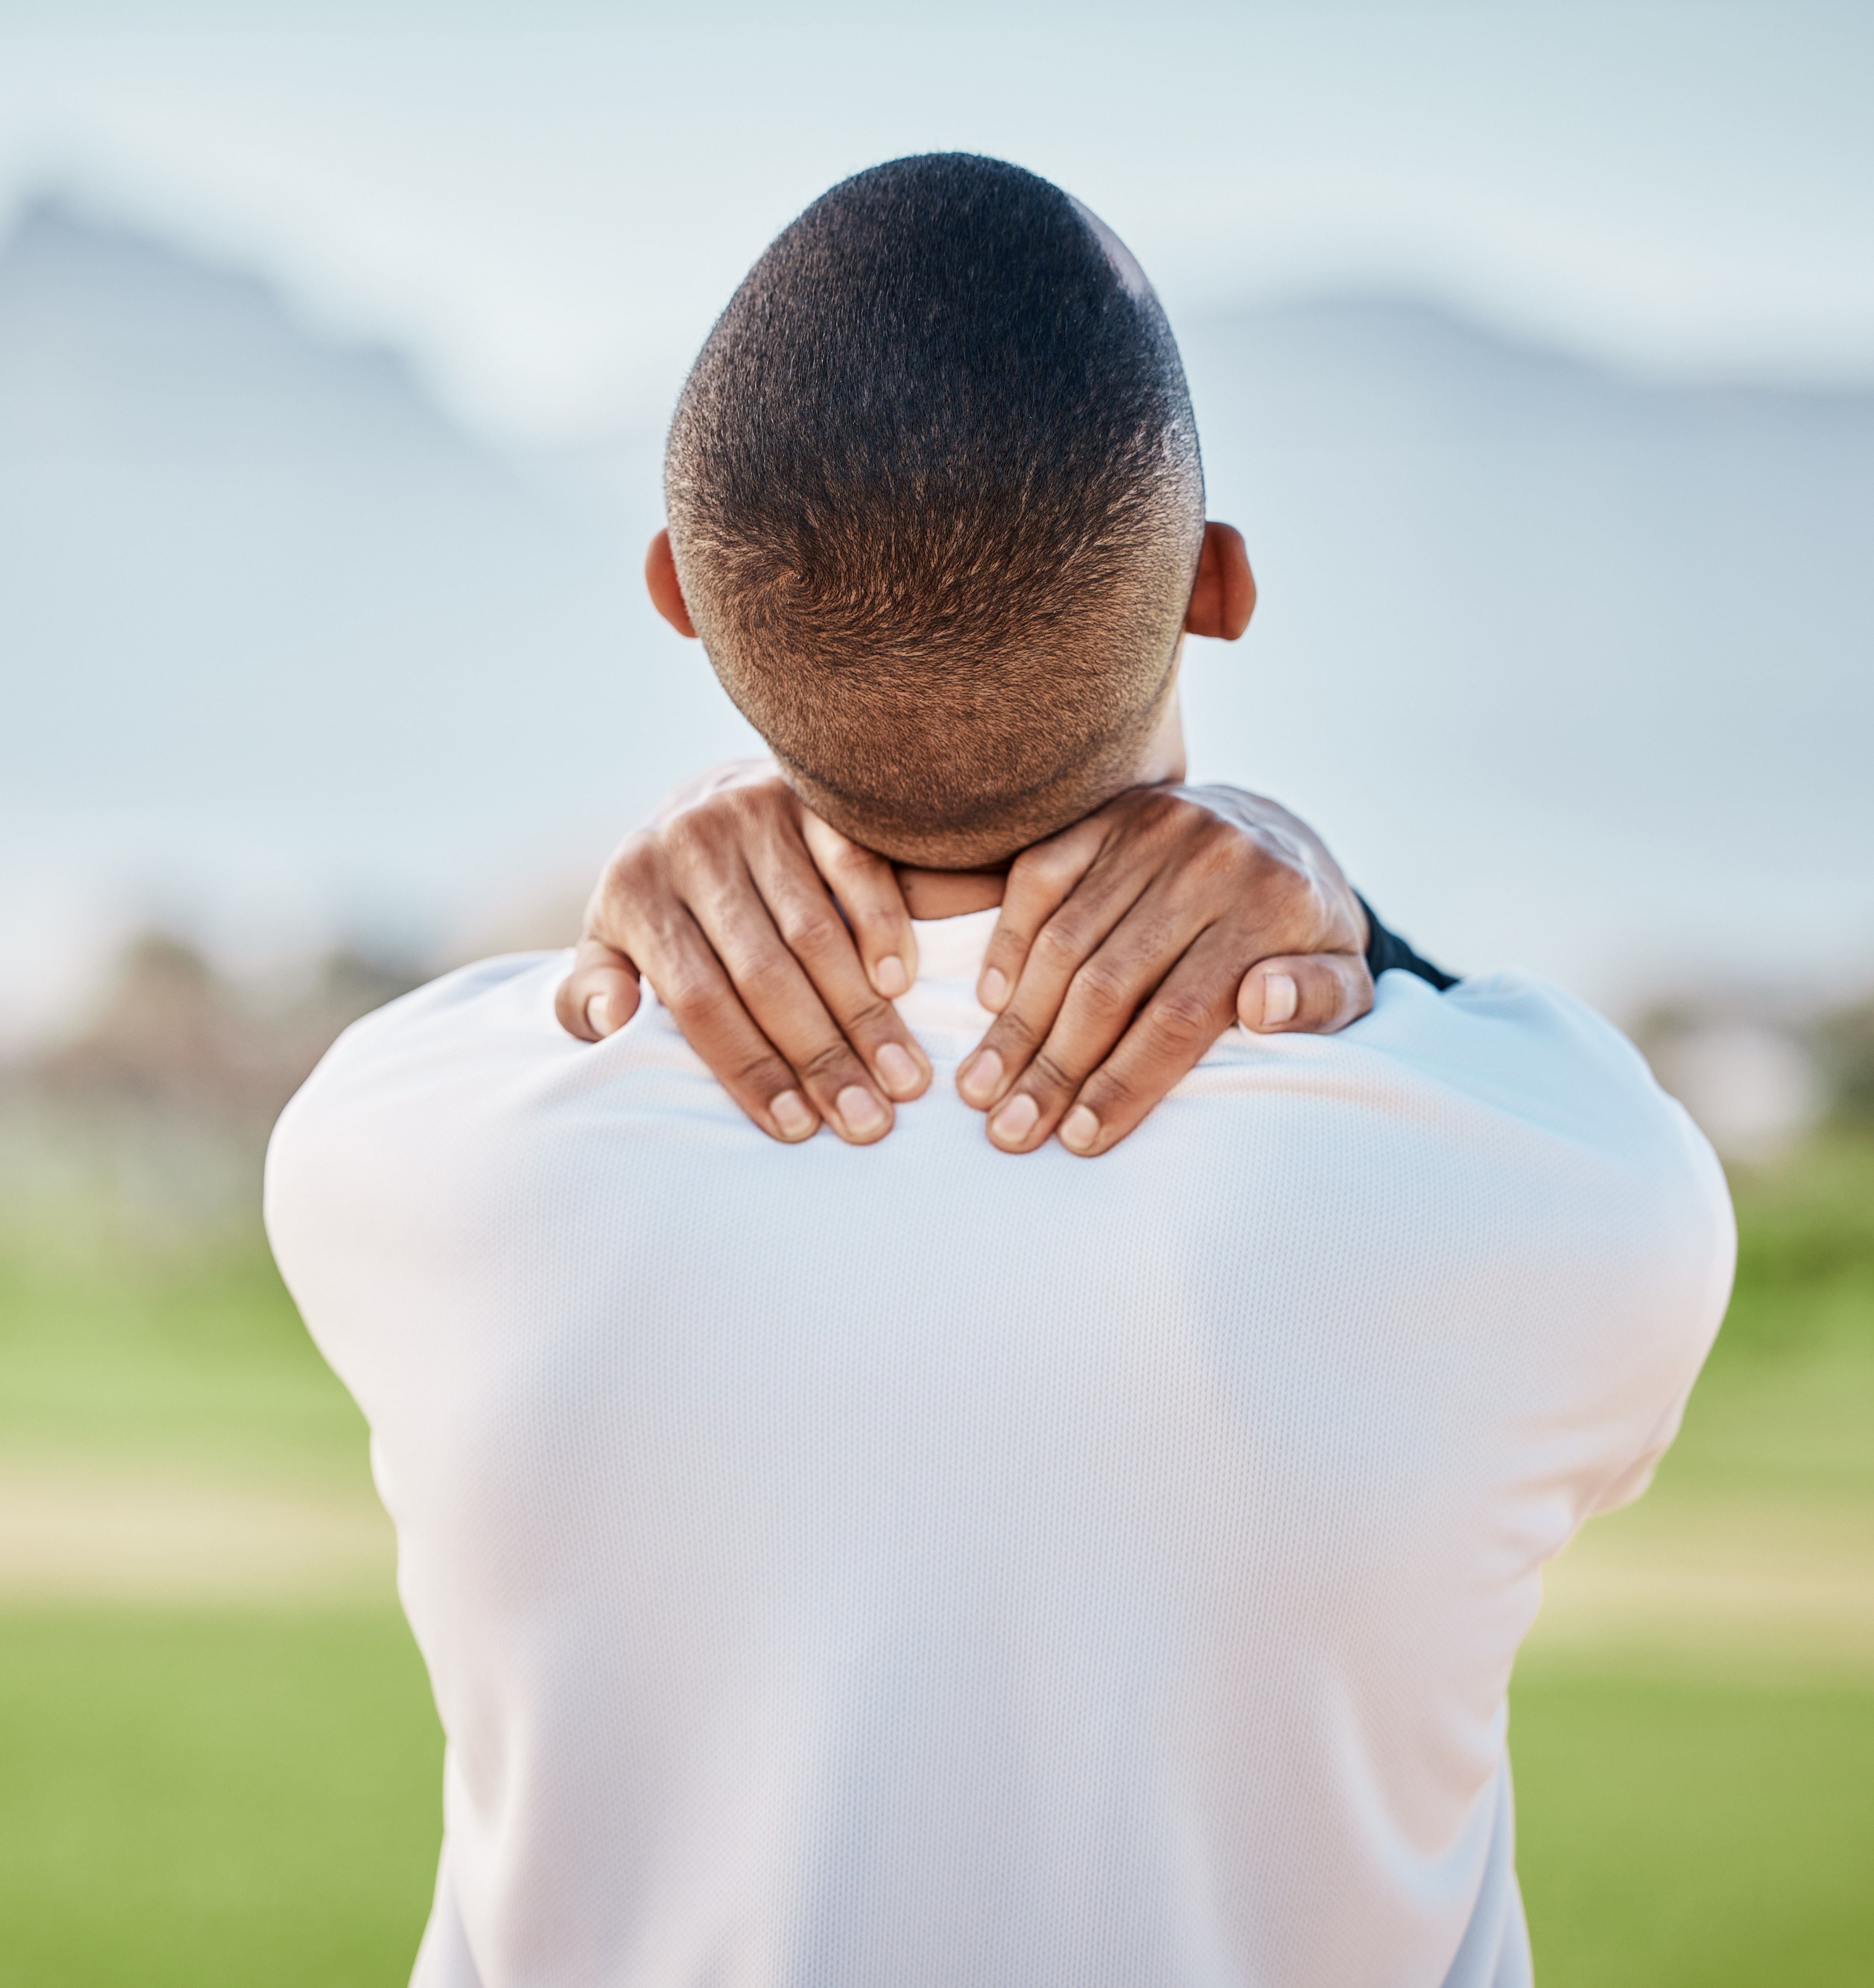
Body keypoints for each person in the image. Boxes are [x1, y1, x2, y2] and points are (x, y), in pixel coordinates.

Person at [266, 155, 1733, 1988]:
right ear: (1217, 586)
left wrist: (622, 897)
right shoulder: (1567, 1185)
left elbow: (496, 1032)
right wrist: (1341, 917)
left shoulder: (403, 1157)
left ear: (680, 599)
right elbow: (1514, 1092)